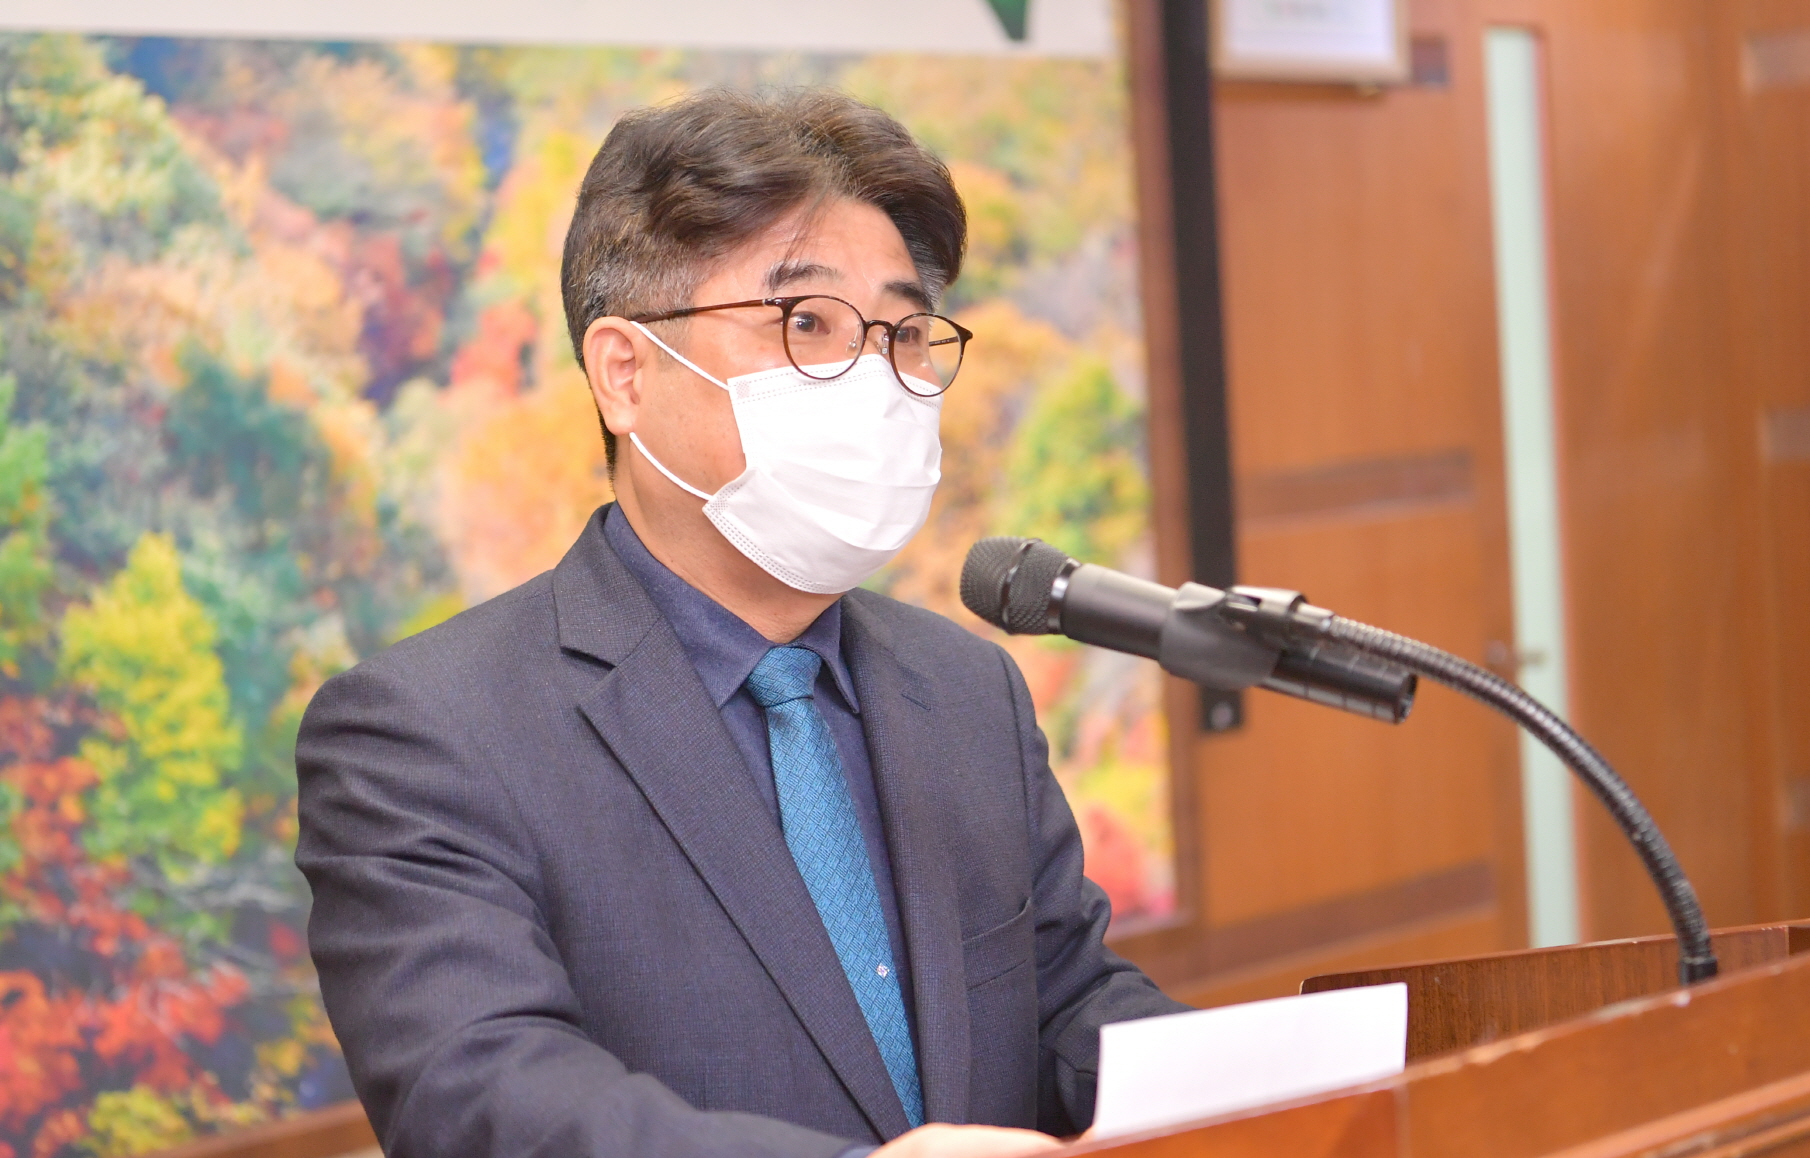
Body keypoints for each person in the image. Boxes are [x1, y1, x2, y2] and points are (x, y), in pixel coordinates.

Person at [295, 87, 1188, 1158]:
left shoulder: (963, 687)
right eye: (807, 323)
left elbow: (1067, 1004)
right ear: (625, 374)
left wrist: (1273, 1087)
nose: (876, 377)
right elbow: (486, 1100)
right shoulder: (425, 733)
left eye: (904, 332)